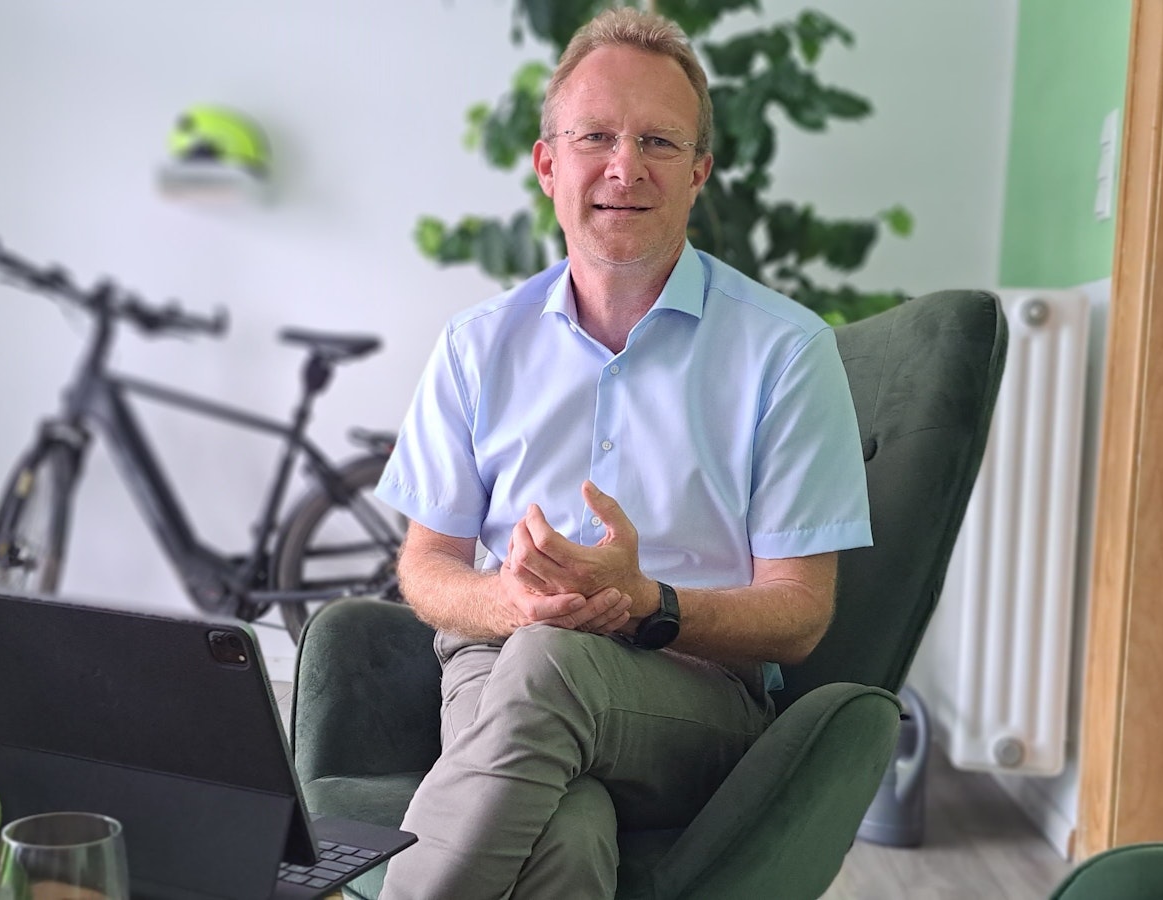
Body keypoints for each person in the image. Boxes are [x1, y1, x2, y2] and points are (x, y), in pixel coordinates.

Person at [372, 8, 872, 899]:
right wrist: (511, 599)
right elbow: (426, 566)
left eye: (660, 142)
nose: (624, 166)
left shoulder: (786, 352)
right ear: (548, 164)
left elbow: (800, 614)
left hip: (694, 696)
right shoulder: (474, 344)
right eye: (596, 135)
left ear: (699, 174)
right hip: (494, 663)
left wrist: (650, 604)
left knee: (551, 661)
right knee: (567, 831)